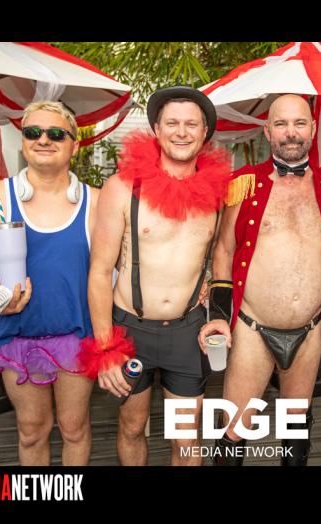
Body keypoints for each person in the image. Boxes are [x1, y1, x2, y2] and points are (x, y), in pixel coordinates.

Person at [86, 86, 231, 466]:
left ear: (204, 133)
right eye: (172, 123)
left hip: (187, 333)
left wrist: (215, 305)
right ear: (156, 129)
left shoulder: (220, 194)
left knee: (186, 437)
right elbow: (99, 272)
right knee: (132, 427)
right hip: (130, 331)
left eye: (191, 124)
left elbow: (221, 256)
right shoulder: (121, 188)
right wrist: (105, 348)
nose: (181, 132)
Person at [198, 94, 321, 466]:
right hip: (253, 327)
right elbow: (223, 251)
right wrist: (220, 316)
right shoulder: (244, 183)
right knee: (235, 428)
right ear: (267, 131)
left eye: (299, 123)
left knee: (297, 426)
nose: (291, 132)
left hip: (310, 329)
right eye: (281, 124)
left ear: (313, 128)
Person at [0, 101, 99, 466]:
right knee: (31, 430)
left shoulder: (97, 203)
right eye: (33, 132)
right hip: (18, 336)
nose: (43, 140)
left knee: (74, 428)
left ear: (74, 145)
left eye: (56, 134)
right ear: (23, 140)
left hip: (77, 336)